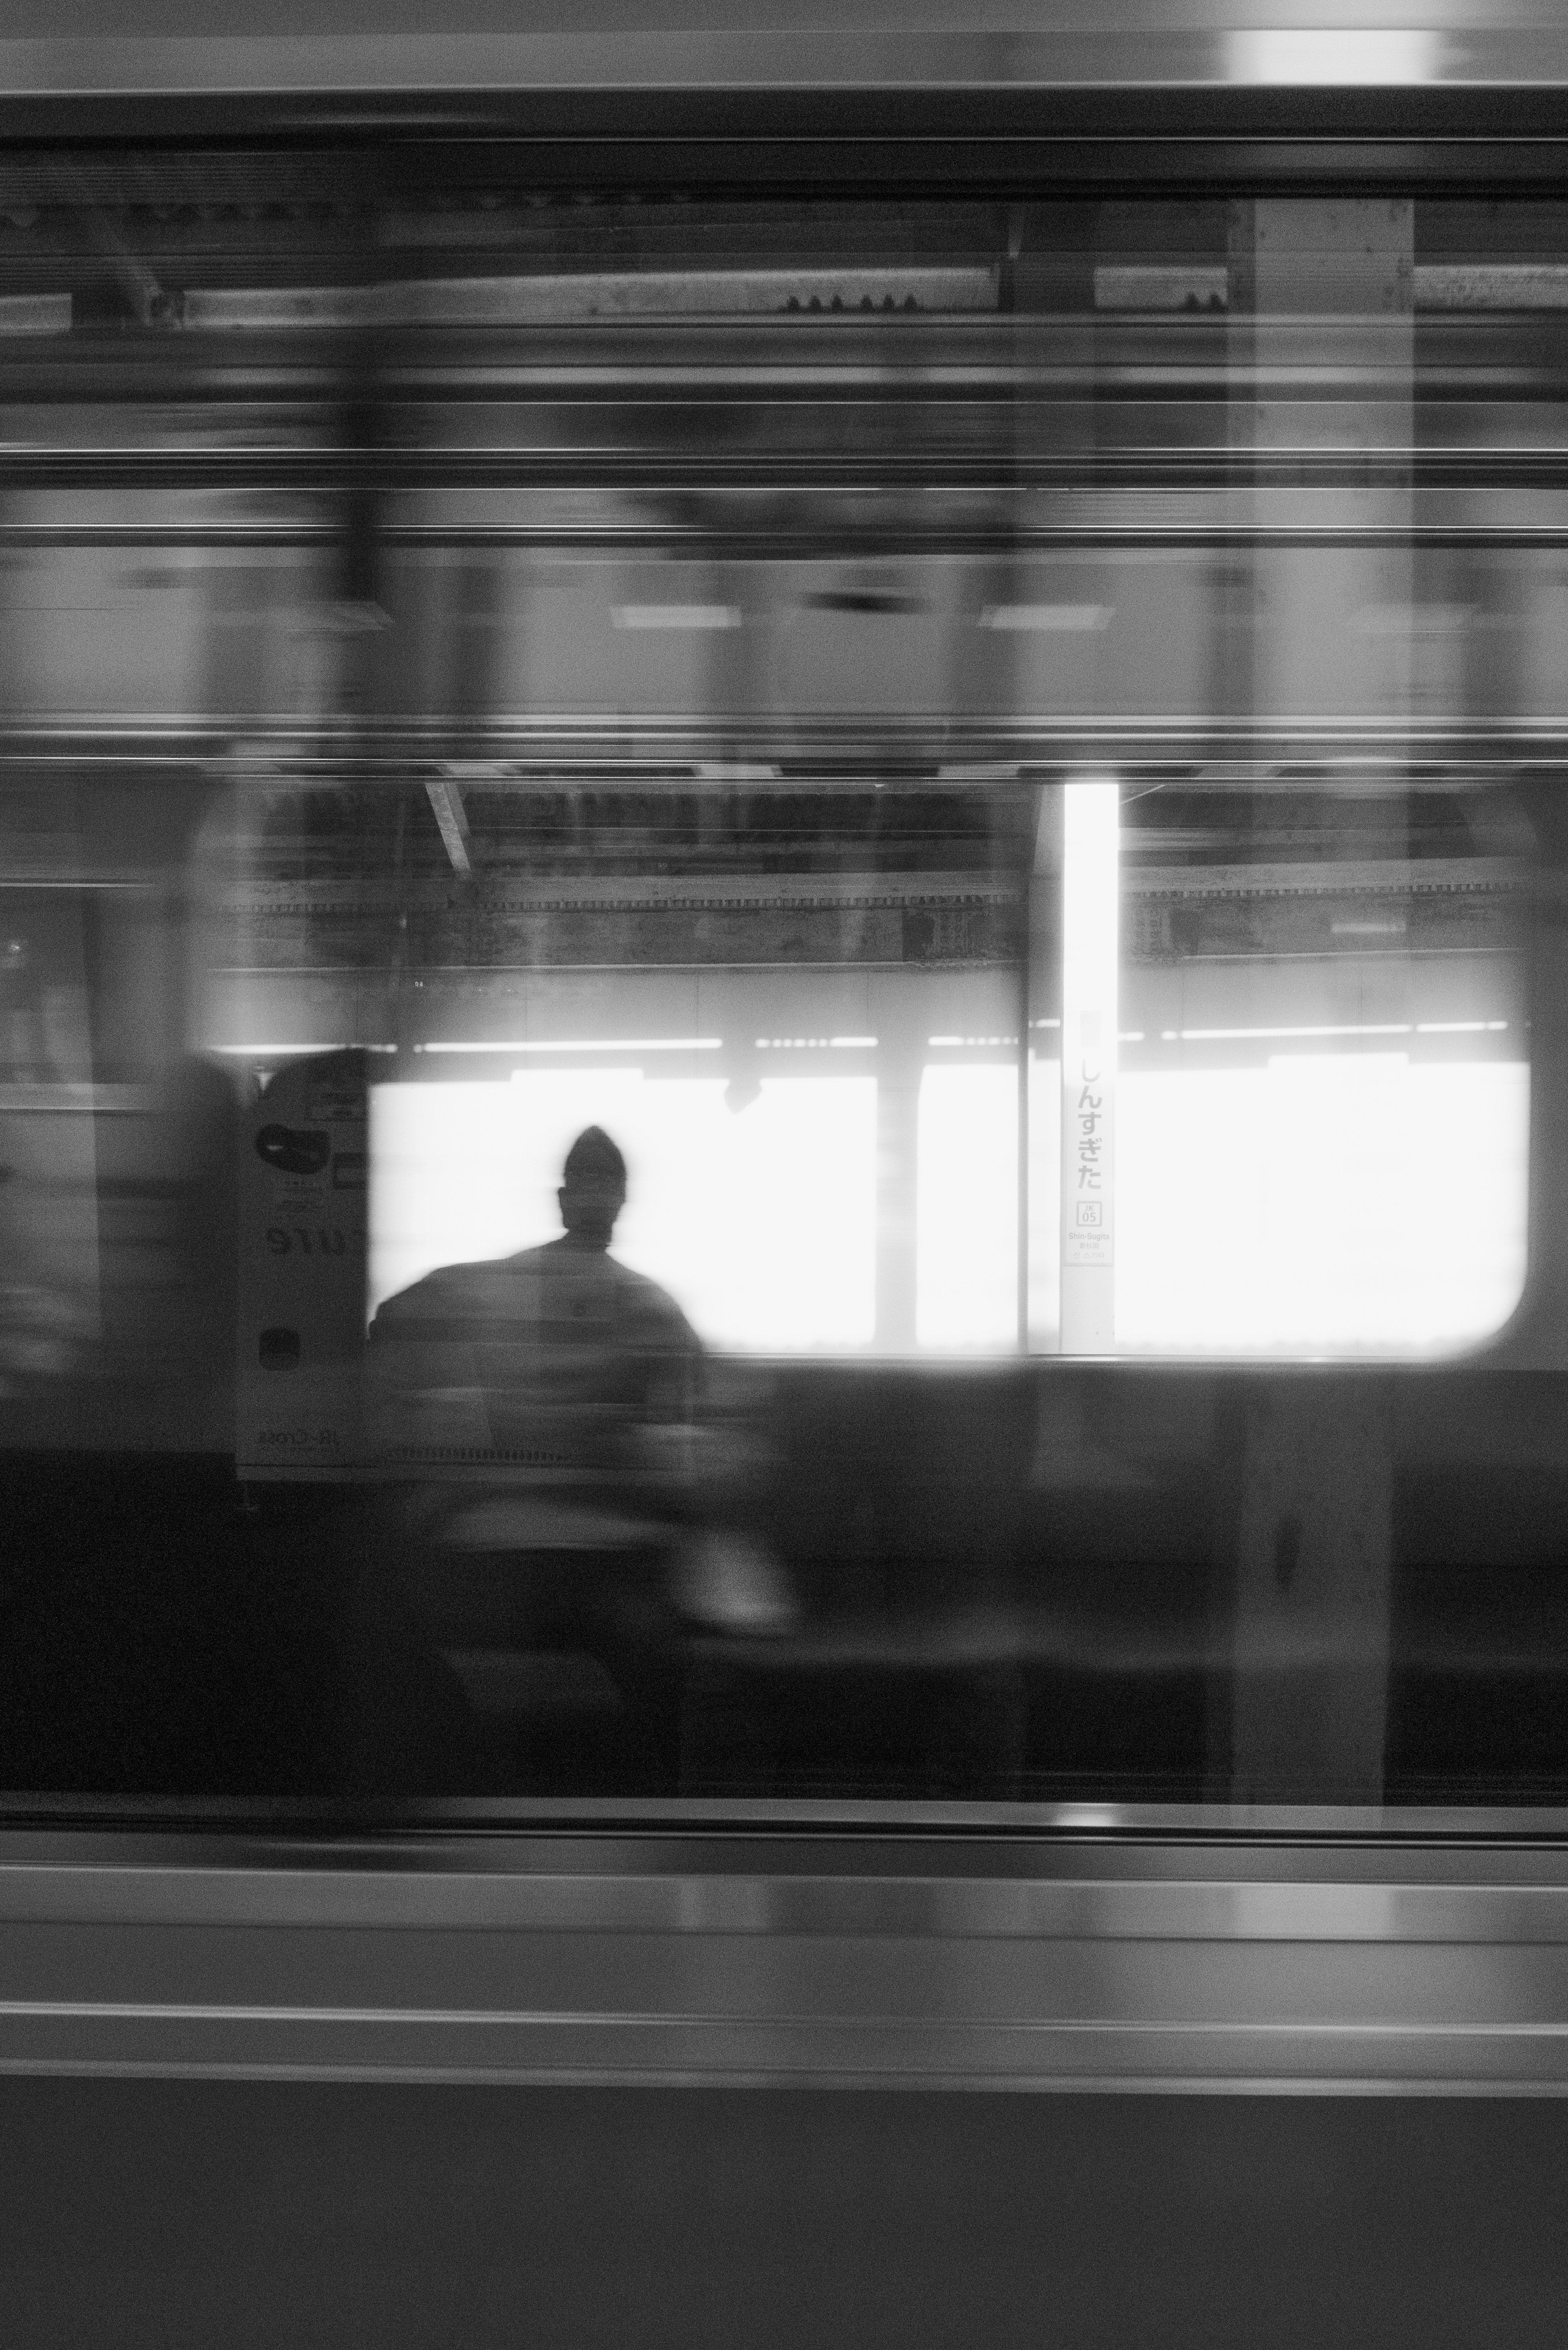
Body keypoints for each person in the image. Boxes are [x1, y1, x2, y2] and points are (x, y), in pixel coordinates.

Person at [361, 1126, 706, 1789]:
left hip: (494, 1557)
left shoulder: (489, 1290)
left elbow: (390, 1320)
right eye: (595, 1188)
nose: (599, 1204)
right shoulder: (645, 1308)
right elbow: (690, 1451)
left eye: (604, 1189)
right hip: (569, 1563)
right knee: (655, 1664)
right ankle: (649, 1811)